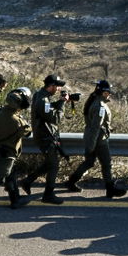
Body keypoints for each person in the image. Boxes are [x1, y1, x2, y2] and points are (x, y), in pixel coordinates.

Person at [64, 79, 128, 198]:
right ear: (104, 92)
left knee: (89, 162)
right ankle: (110, 189)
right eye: (108, 92)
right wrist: (91, 146)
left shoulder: (94, 101)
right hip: (98, 140)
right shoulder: (100, 106)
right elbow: (95, 127)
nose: (109, 94)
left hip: (92, 137)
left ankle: (71, 182)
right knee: (106, 163)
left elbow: (95, 124)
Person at [22, 73, 74, 204]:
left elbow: (47, 110)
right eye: (57, 86)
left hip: (46, 135)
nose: (58, 89)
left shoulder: (41, 96)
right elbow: (55, 118)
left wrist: (60, 102)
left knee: (49, 164)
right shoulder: (42, 99)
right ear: (51, 86)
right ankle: (48, 195)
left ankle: (27, 181)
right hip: (45, 137)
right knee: (54, 166)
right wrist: (62, 103)